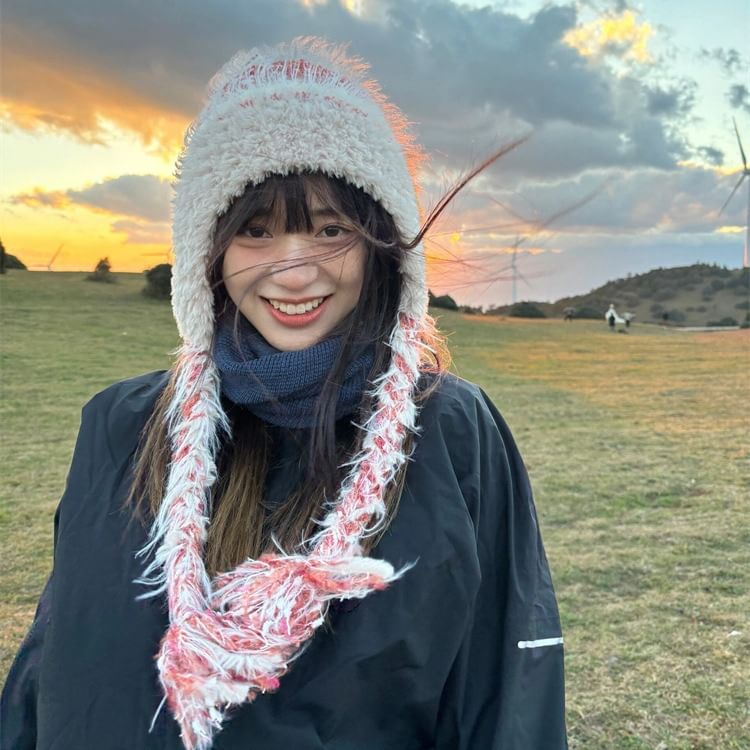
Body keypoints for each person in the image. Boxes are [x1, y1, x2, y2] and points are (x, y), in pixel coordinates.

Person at [1, 38, 567, 750]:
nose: (293, 271)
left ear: (381, 245)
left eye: (332, 230)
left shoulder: (450, 429)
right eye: (255, 231)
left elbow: (504, 683)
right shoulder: (126, 425)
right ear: (208, 249)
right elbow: (58, 666)